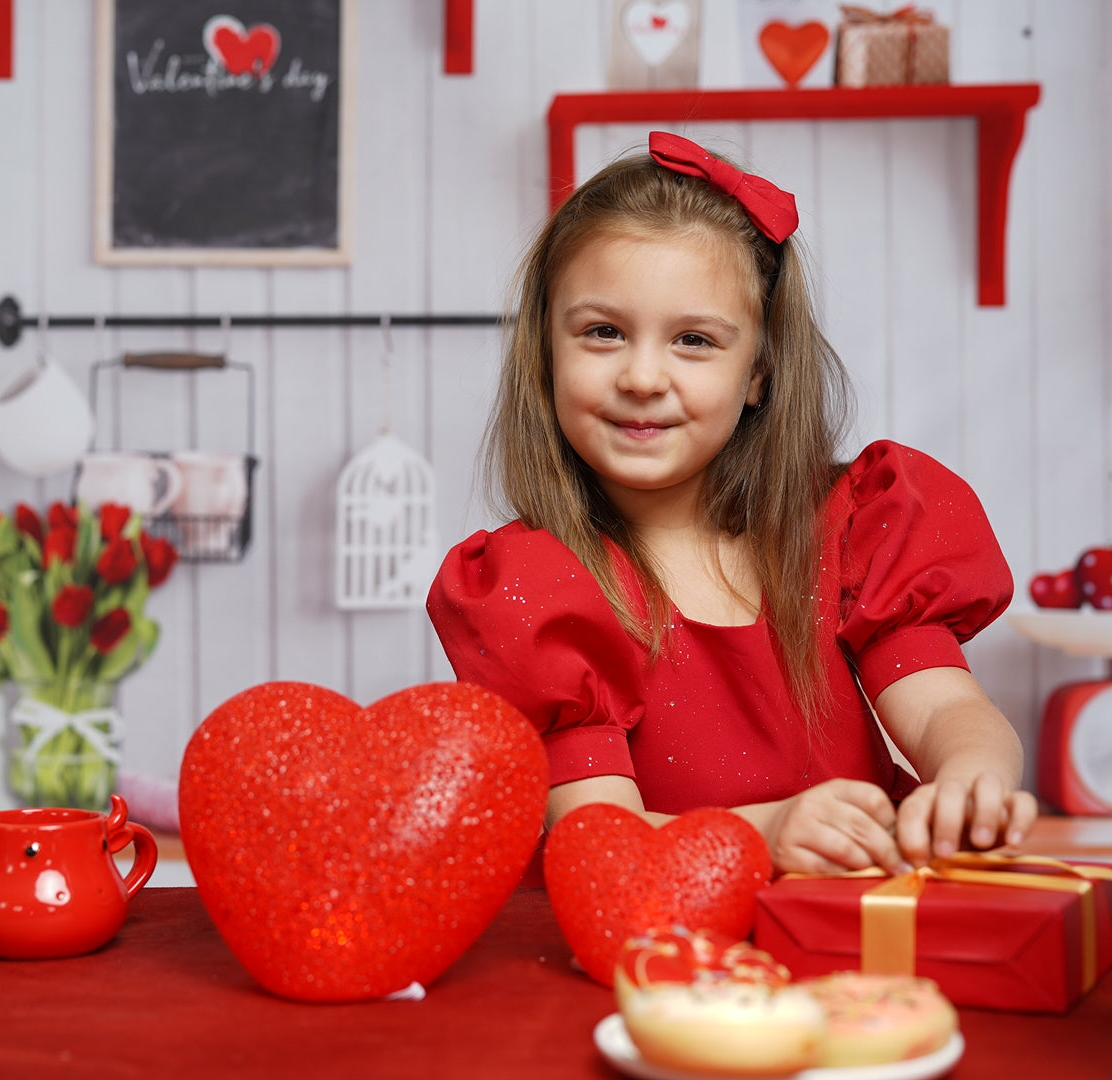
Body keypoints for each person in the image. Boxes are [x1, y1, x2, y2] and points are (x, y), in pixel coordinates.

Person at [426, 132, 1037, 877]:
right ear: (547, 351)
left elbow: (945, 709)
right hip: (668, 943)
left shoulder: (851, 529)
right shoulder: (540, 588)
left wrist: (973, 776)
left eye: (693, 340)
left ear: (759, 372)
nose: (643, 377)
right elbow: (600, 840)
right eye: (603, 333)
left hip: (863, 929)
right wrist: (766, 834)